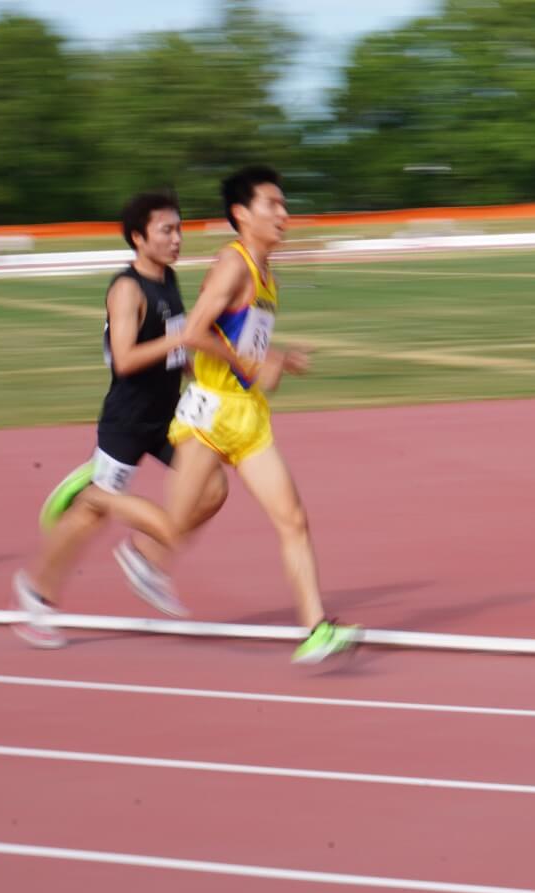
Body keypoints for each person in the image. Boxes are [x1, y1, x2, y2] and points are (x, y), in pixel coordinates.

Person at [12, 191, 224, 648]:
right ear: (138, 237)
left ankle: (143, 556)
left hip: (169, 418)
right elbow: (125, 360)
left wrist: (208, 370)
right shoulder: (126, 289)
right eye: (166, 230)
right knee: (92, 517)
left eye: (179, 228)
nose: (177, 238)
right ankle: (36, 595)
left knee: (212, 488)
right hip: (127, 422)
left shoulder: (167, 280)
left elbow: (177, 345)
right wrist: (181, 340)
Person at [166, 165, 360, 664]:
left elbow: (240, 341)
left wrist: (278, 361)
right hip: (211, 412)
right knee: (174, 522)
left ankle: (315, 629)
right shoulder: (232, 265)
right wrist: (255, 362)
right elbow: (194, 334)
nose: (283, 213)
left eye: (284, 204)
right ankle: (97, 498)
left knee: (292, 518)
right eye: (271, 204)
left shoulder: (266, 273)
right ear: (240, 214)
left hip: (249, 416)